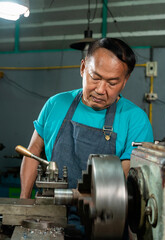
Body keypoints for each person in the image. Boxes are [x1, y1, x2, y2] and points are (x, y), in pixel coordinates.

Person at [20, 37, 153, 199]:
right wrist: (24, 200)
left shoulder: (136, 119)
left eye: (112, 83)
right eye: (95, 78)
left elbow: (127, 175)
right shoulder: (56, 104)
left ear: (125, 80)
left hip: (103, 218)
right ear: (83, 68)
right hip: (50, 213)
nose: (100, 89)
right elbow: (33, 150)